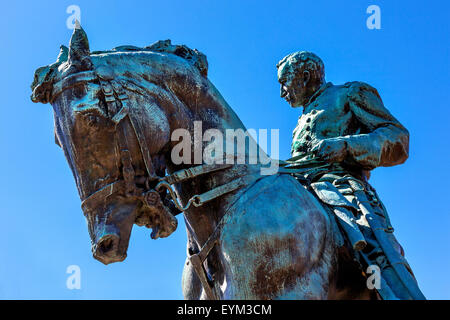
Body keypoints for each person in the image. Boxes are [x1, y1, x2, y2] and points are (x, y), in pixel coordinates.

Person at [277, 51, 425, 299]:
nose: (282, 91)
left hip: (344, 192)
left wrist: (346, 146)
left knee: (374, 249)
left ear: (304, 76)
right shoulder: (301, 119)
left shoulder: (349, 94)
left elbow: (398, 139)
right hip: (303, 191)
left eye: (284, 82)